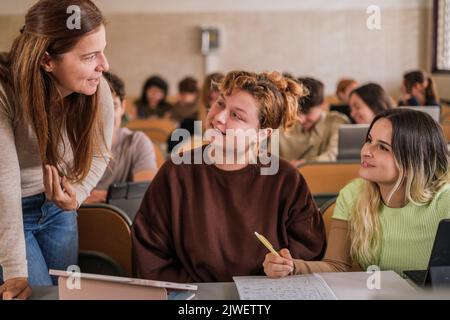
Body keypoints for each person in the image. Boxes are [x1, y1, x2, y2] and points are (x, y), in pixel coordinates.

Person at [132, 71, 326, 283]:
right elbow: (151, 252)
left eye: (237, 115)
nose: (218, 117)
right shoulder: (176, 172)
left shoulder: (286, 180)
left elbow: (309, 251)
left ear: (263, 134)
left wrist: (287, 267)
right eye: (220, 104)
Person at [0, 0, 113, 299]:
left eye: (103, 50)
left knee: (66, 295)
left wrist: (76, 192)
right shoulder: (4, 92)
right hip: (10, 212)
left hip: (58, 209)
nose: (104, 65)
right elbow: (4, 186)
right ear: (47, 61)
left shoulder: (97, 87)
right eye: (90, 56)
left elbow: (101, 153)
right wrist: (14, 272)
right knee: (39, 295)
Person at [263, 109, 450, 278]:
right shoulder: (352, 195)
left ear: (414, 160)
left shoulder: (446, 201)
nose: (366, 151)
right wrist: (291, 267)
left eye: (383, 147)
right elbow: (337, 266)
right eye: (369, 140)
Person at [85, 71, 157, 203]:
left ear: (123, 107)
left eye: (113, 106)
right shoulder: (69, 145)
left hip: (119, 221)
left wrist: (91, 197)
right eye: (97, 107)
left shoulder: (137, 142)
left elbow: (143, 196)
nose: (106, 115)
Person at [279, 77, 349, 166]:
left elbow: (332, 156)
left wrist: (301, 164)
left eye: (307, 112)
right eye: (296, 112)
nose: (300, 119)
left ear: (323, 105)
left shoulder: (336, 122)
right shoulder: (282, 124)